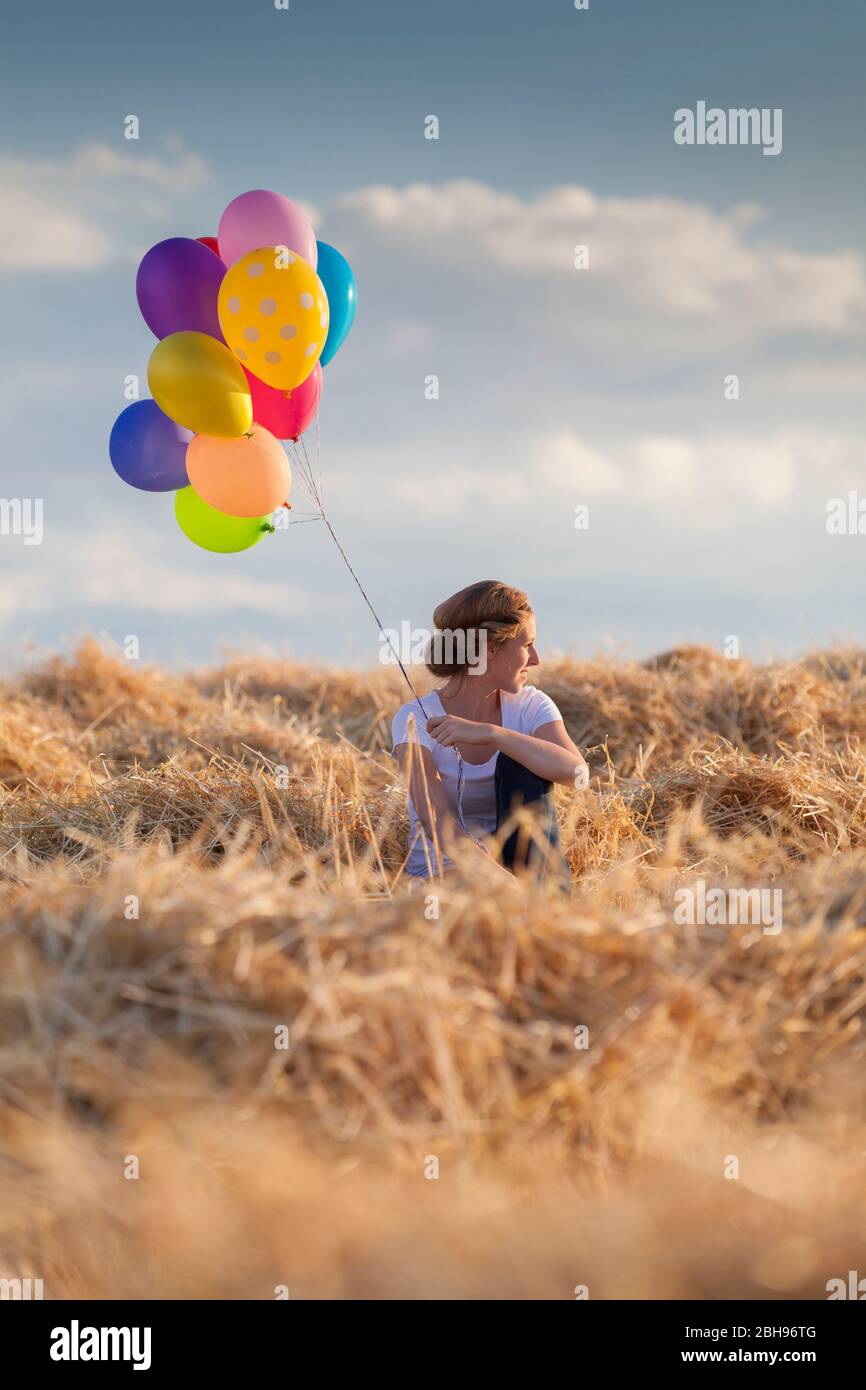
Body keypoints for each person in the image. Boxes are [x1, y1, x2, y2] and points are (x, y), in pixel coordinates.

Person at [391, 580, 589, 884]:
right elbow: (436, 821)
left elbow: (578, 775)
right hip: (445, 878)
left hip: (521, 876)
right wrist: (501, 887)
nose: (536, 659)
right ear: (490, 649)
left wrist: (492, 734)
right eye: (526, 645)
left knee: (519, 763)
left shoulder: (531, 705)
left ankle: (543, 901)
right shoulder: (415, 718)